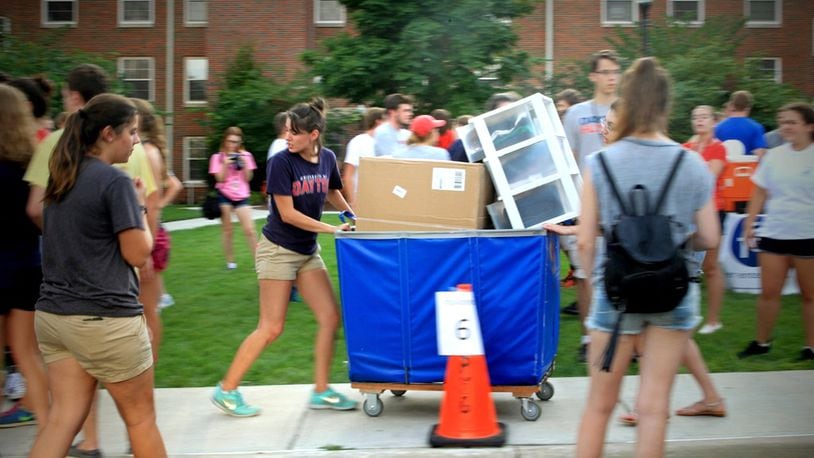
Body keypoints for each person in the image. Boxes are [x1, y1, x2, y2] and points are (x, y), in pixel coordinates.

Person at [574, 57, 718, 457]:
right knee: (654, 410)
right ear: (665, 105)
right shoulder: (691, 162)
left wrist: (598, 277)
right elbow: (709, 235)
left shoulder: (600, 162)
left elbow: (585, 242)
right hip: (671, 291)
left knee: (599, 407)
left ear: (627, 100)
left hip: (616, 295)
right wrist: (670, 237)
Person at [23, 62, 160, 458]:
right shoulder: (115, 182)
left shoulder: (62, 174)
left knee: (64, 419)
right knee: (141, 420)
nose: (135, 142)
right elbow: (138, 252)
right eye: (131, 132)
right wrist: (138, 207)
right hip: (106, 321)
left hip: (54, 318)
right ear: (107, 133)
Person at [211, 97, 358, 417]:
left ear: (314, 134)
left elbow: (332, 190)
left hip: (306, 252)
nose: (287, 136)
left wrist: (351, 215)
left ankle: (320, 391)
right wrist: (333, 230)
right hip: (278, 250)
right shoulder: (282, 162)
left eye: (295, 132)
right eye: (287, 131)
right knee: (271, 327)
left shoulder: (328, 158)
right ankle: (227, 389)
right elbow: (288, 214)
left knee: (330, 317)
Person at [738, 102, 814, 360]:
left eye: (792, 122)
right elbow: (760, 190)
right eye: (783, 122)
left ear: (809, 126)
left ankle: (810, 347)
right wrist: (749, 224)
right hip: (774, 233)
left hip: (808, 235)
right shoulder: (774, 155)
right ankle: (761, 343)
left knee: (809, 295)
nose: (785, 127)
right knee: (769, 293)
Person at [562, 49, 621, 362]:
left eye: (616, 72)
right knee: (585, 273)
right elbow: (568, 158)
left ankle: (620, 337)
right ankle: (588, 337)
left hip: (619, 204)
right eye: (606, 72)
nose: (612, 77)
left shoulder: (627, 109)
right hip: (584, 202)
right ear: (593, 76)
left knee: (619, 271)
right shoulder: (577, 113)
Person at [0, 84, 49, 430]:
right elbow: (38, 214)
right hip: (28, 266)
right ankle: (50, 432)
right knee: (28, 354)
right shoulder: (31, 166)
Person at [131, 98, 184, 359]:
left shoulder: (148, 153)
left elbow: (150, 207)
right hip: (145, 237)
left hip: (149, 238)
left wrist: (147, 251)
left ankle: (147, 373)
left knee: (147, 312)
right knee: (139, 312)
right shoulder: (144, 151)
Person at [684, 105, 728, 335]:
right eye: (696, 116)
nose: (699, 120)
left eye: (704, 117)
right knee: (692, 265)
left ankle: (713, 319)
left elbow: (708, 178)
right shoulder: (687, 147)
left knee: (710, 266)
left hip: (713, 210)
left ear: (713, 121)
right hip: (690, 213)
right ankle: (690, 313)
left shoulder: (718, 149)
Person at [209, 126, 258, 270]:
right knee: (228, 230)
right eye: (230, 141)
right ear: (225, 140)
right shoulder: (217, 157)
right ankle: (230, 262)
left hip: (242, 195)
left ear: (240, 142)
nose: (233, 144)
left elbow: (248, 178)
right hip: (225, 194)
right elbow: (220, 179)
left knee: (250, 230)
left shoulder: (246, 155)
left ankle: (258, 262)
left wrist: (244, 165)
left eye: (236, 141)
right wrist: (225, 163)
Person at [342, 106, 385, 208]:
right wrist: (352, 202)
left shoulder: (384, 143)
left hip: (382, 200)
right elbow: (348, 174)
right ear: (378, 122)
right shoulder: (359, 142)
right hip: (363, 201)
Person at [714, 90, 767, 158]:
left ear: (732, 105)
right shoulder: (756, 127)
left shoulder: (718, 127)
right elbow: (760, 154)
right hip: (748, 167)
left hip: (725, 167)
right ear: (748, 106)